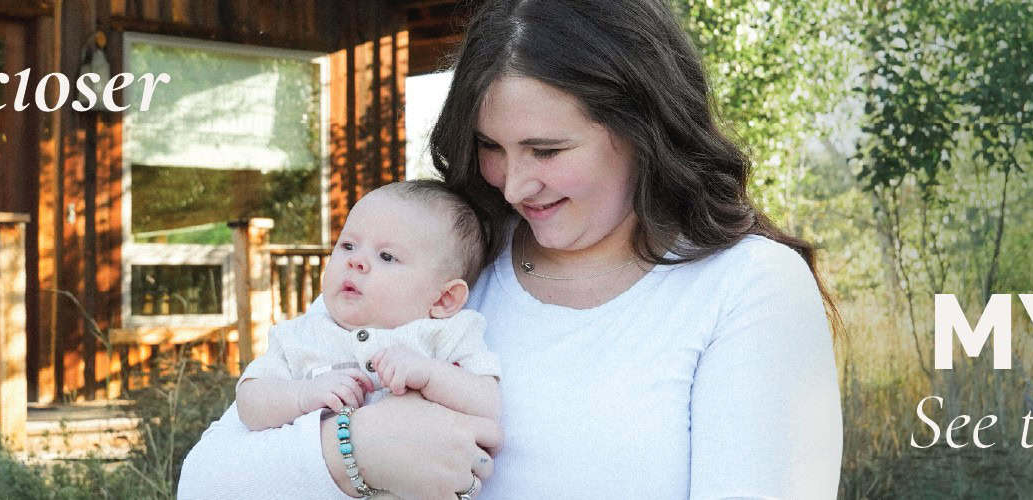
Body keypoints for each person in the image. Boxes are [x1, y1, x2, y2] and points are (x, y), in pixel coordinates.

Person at [178, 0, 841, 497]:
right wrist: (352, 451)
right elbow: (204, 481)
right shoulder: (445, 266)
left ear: (644, 128)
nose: (515, 184)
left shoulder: (748, 287)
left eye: (547, 151)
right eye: (492, 148)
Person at [230, 180, 501, 436]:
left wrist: (430, 375)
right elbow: (249, 403)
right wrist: (302, 395)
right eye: (348, 245)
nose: (356, 260)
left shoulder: (447, 334)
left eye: (386, 256)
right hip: (324, 479)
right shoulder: (299, 336)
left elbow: (488, 404)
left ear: (444, 299)